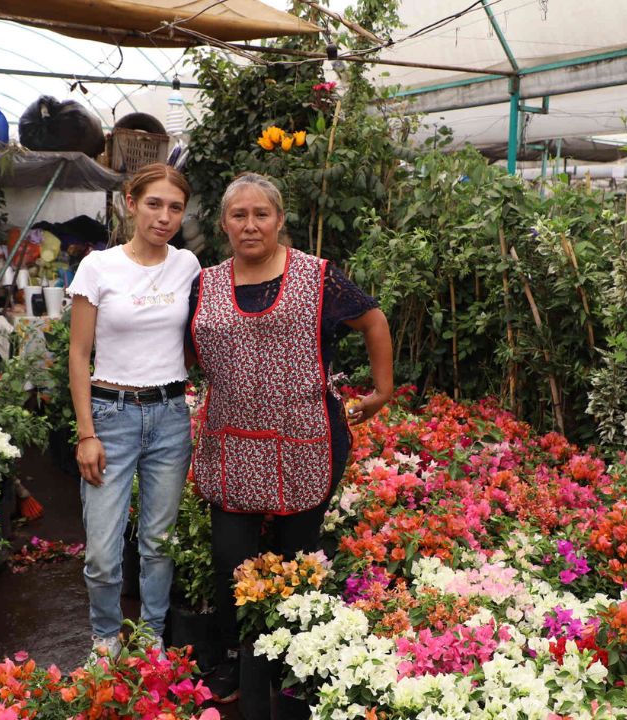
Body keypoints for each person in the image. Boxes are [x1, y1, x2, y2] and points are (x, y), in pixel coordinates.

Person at [186, 173, 393, 705]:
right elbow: (185, 346)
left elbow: (373, 321)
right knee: (231, 558)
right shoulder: (204, 282)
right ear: (224, 223)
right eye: (239, 215)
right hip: (232, 443)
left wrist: (383, 390)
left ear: (280, 219)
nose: (250, 225)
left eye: (261, 214)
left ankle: (294, 662)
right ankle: (239, 656)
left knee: (296, 558)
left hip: (306, 440)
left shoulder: (318, 278)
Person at [67, 163, 201, 657]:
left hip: (169, 416)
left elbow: (193, 336)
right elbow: (78, 354)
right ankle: (106, 640)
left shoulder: (187, 265)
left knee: (158, 545)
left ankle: (150, 640)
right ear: (131, 202)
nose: (164, 216)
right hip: (110, 417)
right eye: (154, 204)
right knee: (103, 552)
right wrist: (86, 433)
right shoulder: (98, 268)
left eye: (175, 207)